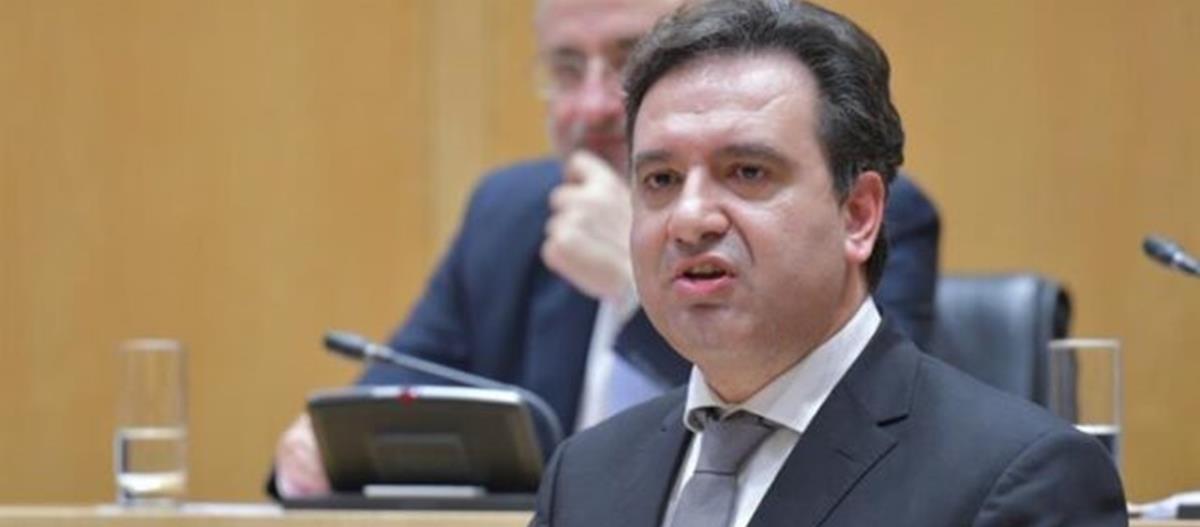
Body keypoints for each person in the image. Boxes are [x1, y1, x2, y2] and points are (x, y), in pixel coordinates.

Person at [270, 0, 938, 499]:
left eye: (627, 61)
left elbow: (870, 442)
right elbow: (389, 407)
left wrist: (640, 285)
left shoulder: (860, 212)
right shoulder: (512, 214)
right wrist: (322, 450)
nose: (591, 106)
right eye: (567, 68)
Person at [529, 1, 1126, 526]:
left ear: (859, 214)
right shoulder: (583, 475)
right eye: (661, 179)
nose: (690, 218)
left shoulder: (1020, 478)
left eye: (748, 172)